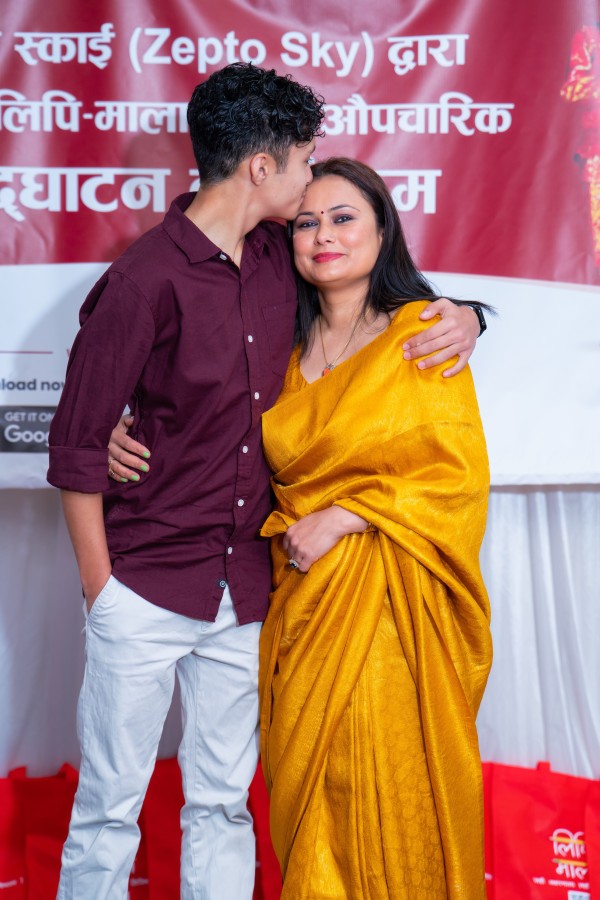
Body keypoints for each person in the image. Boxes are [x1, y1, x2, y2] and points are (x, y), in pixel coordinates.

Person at [47, 62, 482, 898]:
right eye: (304, 161)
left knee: (222, 804)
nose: (310, 180)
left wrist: (467, 318)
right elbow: (74, 448)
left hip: (250, 589)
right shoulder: (142, 280)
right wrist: (103, 592)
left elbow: (377, 306)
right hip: (143, 583)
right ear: (261, 166)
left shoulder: (284, 261)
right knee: (109, 808)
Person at [257, 158, 493, 899]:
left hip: (393, 617)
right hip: (300, 613)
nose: (323, 235)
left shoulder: (423, 332)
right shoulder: (279, 352)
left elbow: (456, 476)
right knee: (312, 808)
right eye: (306, 222)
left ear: (383, 229)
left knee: (390, 794)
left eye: (343, 217)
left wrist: (347, 515)